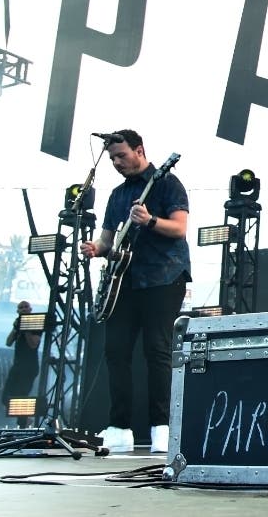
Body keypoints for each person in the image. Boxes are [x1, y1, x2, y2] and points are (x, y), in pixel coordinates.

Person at [81, 129, 190, 455]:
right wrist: (95, 249)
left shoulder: (166, 183)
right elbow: (107, 240)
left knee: (157, 351)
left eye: (122, 156)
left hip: (164, 276)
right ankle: (119, 427)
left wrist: (150, 220)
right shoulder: (116, 195)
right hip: (124, 280)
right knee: (116, 351)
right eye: (112, 158)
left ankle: (162, 428)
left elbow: (180, 228)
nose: (116, 162)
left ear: (139, 150)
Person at [1, 300, 42, 427]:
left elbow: (33, 344)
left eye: (26, 307)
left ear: (30, 309)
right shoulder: (17, 325)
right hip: (17, 365)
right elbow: (8, 343)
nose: (24, 309)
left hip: (29, 366)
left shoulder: (35, 325)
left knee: (22, 396)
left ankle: (23, 423)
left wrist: (26, 330)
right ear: (17, 311)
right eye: (21, 307)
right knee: (6, 397)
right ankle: (25, 419)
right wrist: (16, 328)